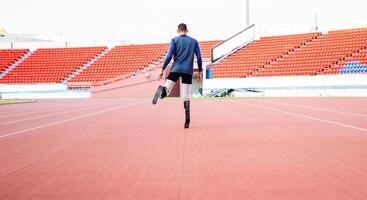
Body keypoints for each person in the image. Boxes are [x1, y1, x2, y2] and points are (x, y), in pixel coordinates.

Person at [152, 23, 203, 129]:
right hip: (187, 71)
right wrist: (200, 71)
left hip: (175, 69)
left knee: (167, 90)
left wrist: (162, 69)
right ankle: (187, 121)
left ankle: (163, 90)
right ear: (187, 30)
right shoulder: (194, 41)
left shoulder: (174, 40)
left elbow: (169, 56)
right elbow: (199, 57)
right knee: (185, 95)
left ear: (177, 31)